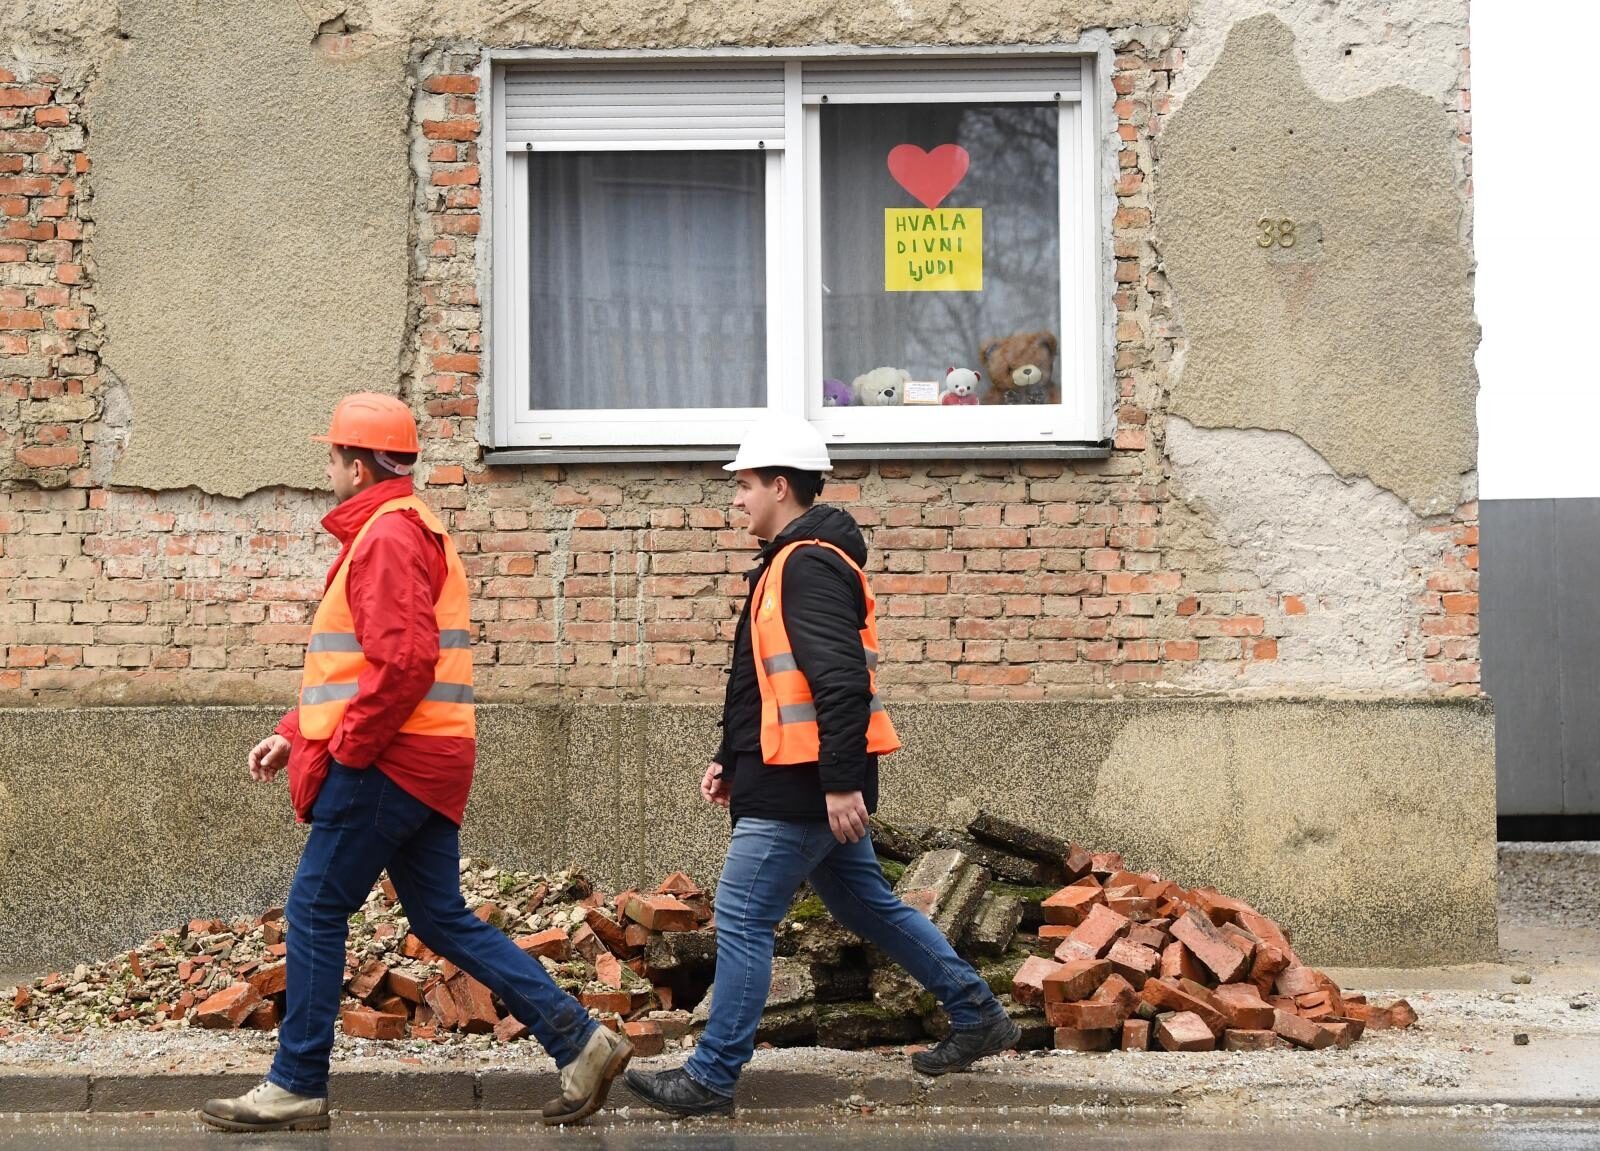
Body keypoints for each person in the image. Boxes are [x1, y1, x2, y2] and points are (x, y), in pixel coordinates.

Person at [200, 393, 631, 1133]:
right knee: (442, 916)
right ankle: (580, 1040)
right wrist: (294, 731)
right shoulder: (407, 528)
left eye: (333, 457)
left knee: (312, 907)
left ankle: (297, 1081)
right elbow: (356, 664)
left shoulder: (387, 536)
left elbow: (400, 662)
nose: (328, 469)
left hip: (389, 762)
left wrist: (345, 752)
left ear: (358, 464)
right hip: (426, 757)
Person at [624, 414, 1018, 1117]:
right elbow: (771, 682)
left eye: (744, 484)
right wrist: (730, 757)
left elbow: (839, 682)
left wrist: (839, 781)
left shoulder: (807, 564)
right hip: (788, 774)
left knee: (743, 917)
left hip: (804, 786)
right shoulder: (789, 562)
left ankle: (712, 1076)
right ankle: (977, 1012)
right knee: (866, 903)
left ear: (780, 484)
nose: (736, 499)